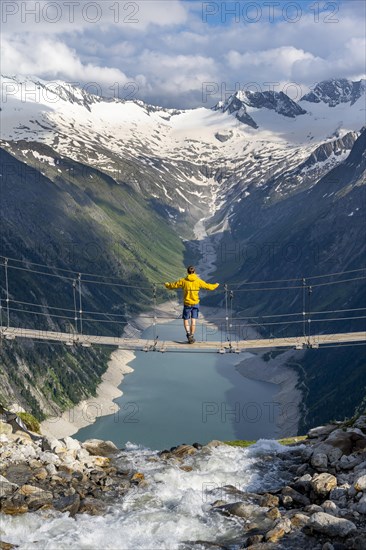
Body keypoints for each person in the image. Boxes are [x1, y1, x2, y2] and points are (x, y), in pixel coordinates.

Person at [165, 266, 219, 343]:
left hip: (187, 303)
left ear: (187, 272)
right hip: (195, 303)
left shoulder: (183, 281)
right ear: (194, 272)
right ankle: (192, 335)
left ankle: (188, 334)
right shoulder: (198, 280)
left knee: (186, 319)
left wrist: (167, 284)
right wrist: (216, 285)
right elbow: (208, 286)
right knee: (193, 320)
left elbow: (173, 285)